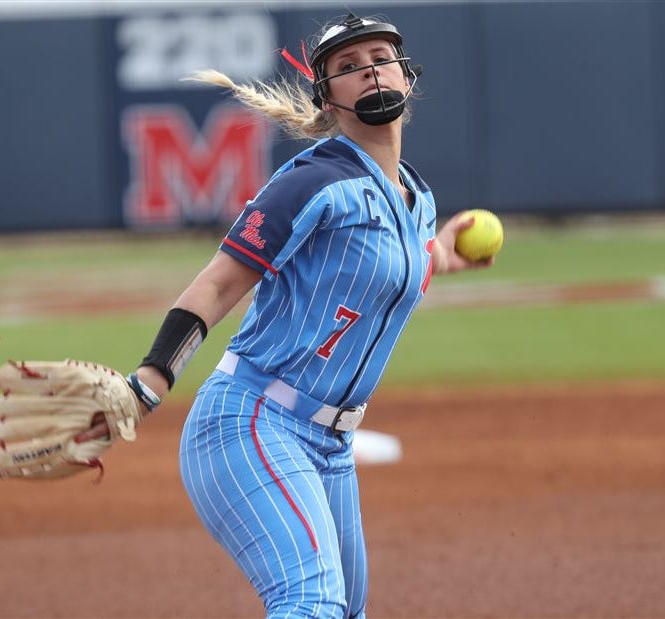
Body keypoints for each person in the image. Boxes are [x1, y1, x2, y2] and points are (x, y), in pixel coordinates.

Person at [129, 13, 493, 618]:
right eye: (347, 68)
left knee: (344, 611)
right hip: (251, 423)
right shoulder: (313, 181)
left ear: (407, 77)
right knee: (309, 600)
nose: (368, 69)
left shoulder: (415, 198)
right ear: (328, 99)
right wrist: (147, 383)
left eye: (380, 57)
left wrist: (440, 256)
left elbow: (380, 272)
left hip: (329, 447)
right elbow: (218, 285)